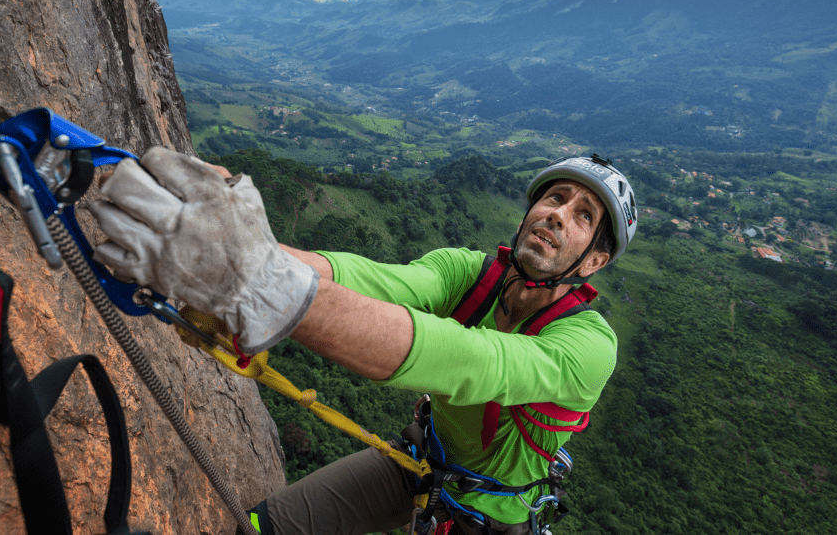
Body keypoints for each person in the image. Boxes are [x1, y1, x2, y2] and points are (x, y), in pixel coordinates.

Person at [90, 149, 638, 535]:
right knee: (264, 527)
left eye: (582, 216)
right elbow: (370, 278)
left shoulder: (587, 345)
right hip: (420, 463)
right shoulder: (470, 274)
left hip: (493, 518)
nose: (557, 215)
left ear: (593, 261)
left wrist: (262, 283)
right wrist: (246, 246)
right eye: (555, 198)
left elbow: (470, 362)